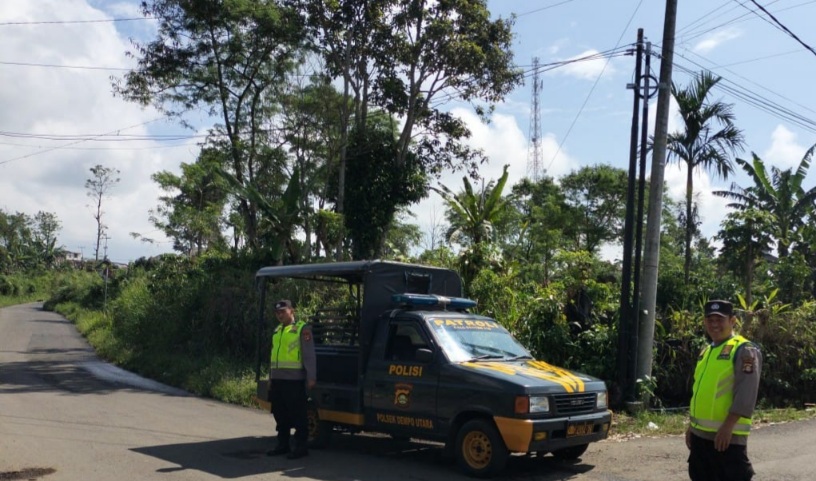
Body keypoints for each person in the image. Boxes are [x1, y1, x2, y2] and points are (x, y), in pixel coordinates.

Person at [686, 299, 762, 481]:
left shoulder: (744, 349)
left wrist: (728, 426)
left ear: (732, 321)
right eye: (710, 320)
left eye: (720, 319)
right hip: (700, 437)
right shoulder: (706, 351)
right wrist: (691, 426)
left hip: (726, 438)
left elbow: (746, 393)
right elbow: (700, 392)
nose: (714, 324)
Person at [267, 299, 316, 460]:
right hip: (278, 380)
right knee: (280, 414)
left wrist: (311, 377)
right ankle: (283, 445)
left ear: (292, 311)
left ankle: (301, 447)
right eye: (277, 312)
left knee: (298, 414)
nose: (280, 315)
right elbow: (273, 355)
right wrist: (270, 377)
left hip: (294, 381)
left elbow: (309, 355)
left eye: (283, 311)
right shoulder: (277, 331)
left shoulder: (302, 329)